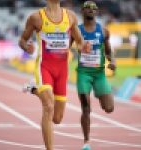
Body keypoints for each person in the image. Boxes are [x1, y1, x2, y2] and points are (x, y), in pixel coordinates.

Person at [19, 0, 92, 149]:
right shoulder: (36, 17)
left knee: (57, 118)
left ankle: (33, 88)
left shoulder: (70, 16)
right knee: (48, 107)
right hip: (44, 67)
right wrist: (26, 47)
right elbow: (22, 39)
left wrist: (83, 47)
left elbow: (78, 41)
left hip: (62, 70)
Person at [75, 1, 116, 150]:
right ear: (82, 11)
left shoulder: (104, 31)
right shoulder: (76, 31)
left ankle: (99, 93)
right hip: (83, 74)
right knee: (86, 110)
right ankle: (87, 141)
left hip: (99, 74)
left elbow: (108, 51)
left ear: (97, 12)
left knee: (109, 108)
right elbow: (66, 47)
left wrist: (113, 61)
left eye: (94, 8)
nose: (91, 10)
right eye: (88, 7)